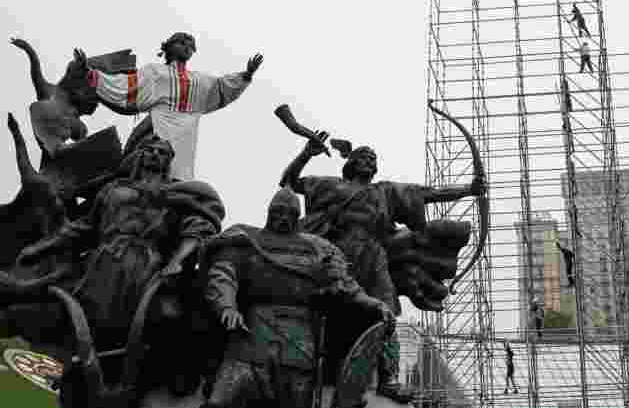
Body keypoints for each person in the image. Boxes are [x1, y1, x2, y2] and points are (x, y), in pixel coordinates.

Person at [280, 137, 483, 404]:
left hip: (375, 258)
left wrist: (468, 189)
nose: (368, 160)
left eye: (372, 158)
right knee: (325, 313)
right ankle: (316, 372)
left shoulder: (384, 192)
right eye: (362, 157)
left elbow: (427, 193)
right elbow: (290, 182)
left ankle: (388, 380)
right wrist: (306, 153)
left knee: (386, 316)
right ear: (350, 164)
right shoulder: (331, 186)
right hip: (338, 256)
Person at [17, 135, 225, 355]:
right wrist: (42, 247)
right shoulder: (114, 188)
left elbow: (200, 225)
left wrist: (177, 261)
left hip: (145, 262)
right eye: (150, 150)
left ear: (169, 162)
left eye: (162, 153)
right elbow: (86, 226)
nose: (155, 154)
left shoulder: (181, 192)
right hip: (104, 255)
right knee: (71, 302)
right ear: (140, 154)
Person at [201, 187, 394, 408]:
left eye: (290, 213)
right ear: (269, 212)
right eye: (278, 211)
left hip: (299, 344)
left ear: (297, 217)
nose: (283, 217)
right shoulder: (246, 241)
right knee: (219, 402)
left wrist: (374, 303)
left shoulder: (317, 249)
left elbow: (344, 284)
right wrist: (227, 307)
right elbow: (223, 274)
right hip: (250, 338)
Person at [82, 32, 263, 181]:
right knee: (137, 163)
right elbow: (127, 86)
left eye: (191, 45)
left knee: (179, 176)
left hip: (186, 137)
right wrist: (93, 75)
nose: (187, 47)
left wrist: (247, 74)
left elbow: (222, 87)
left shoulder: (199, 80)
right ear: (169, 46)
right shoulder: (155, 72)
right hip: (156, 125)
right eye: (182, 42)